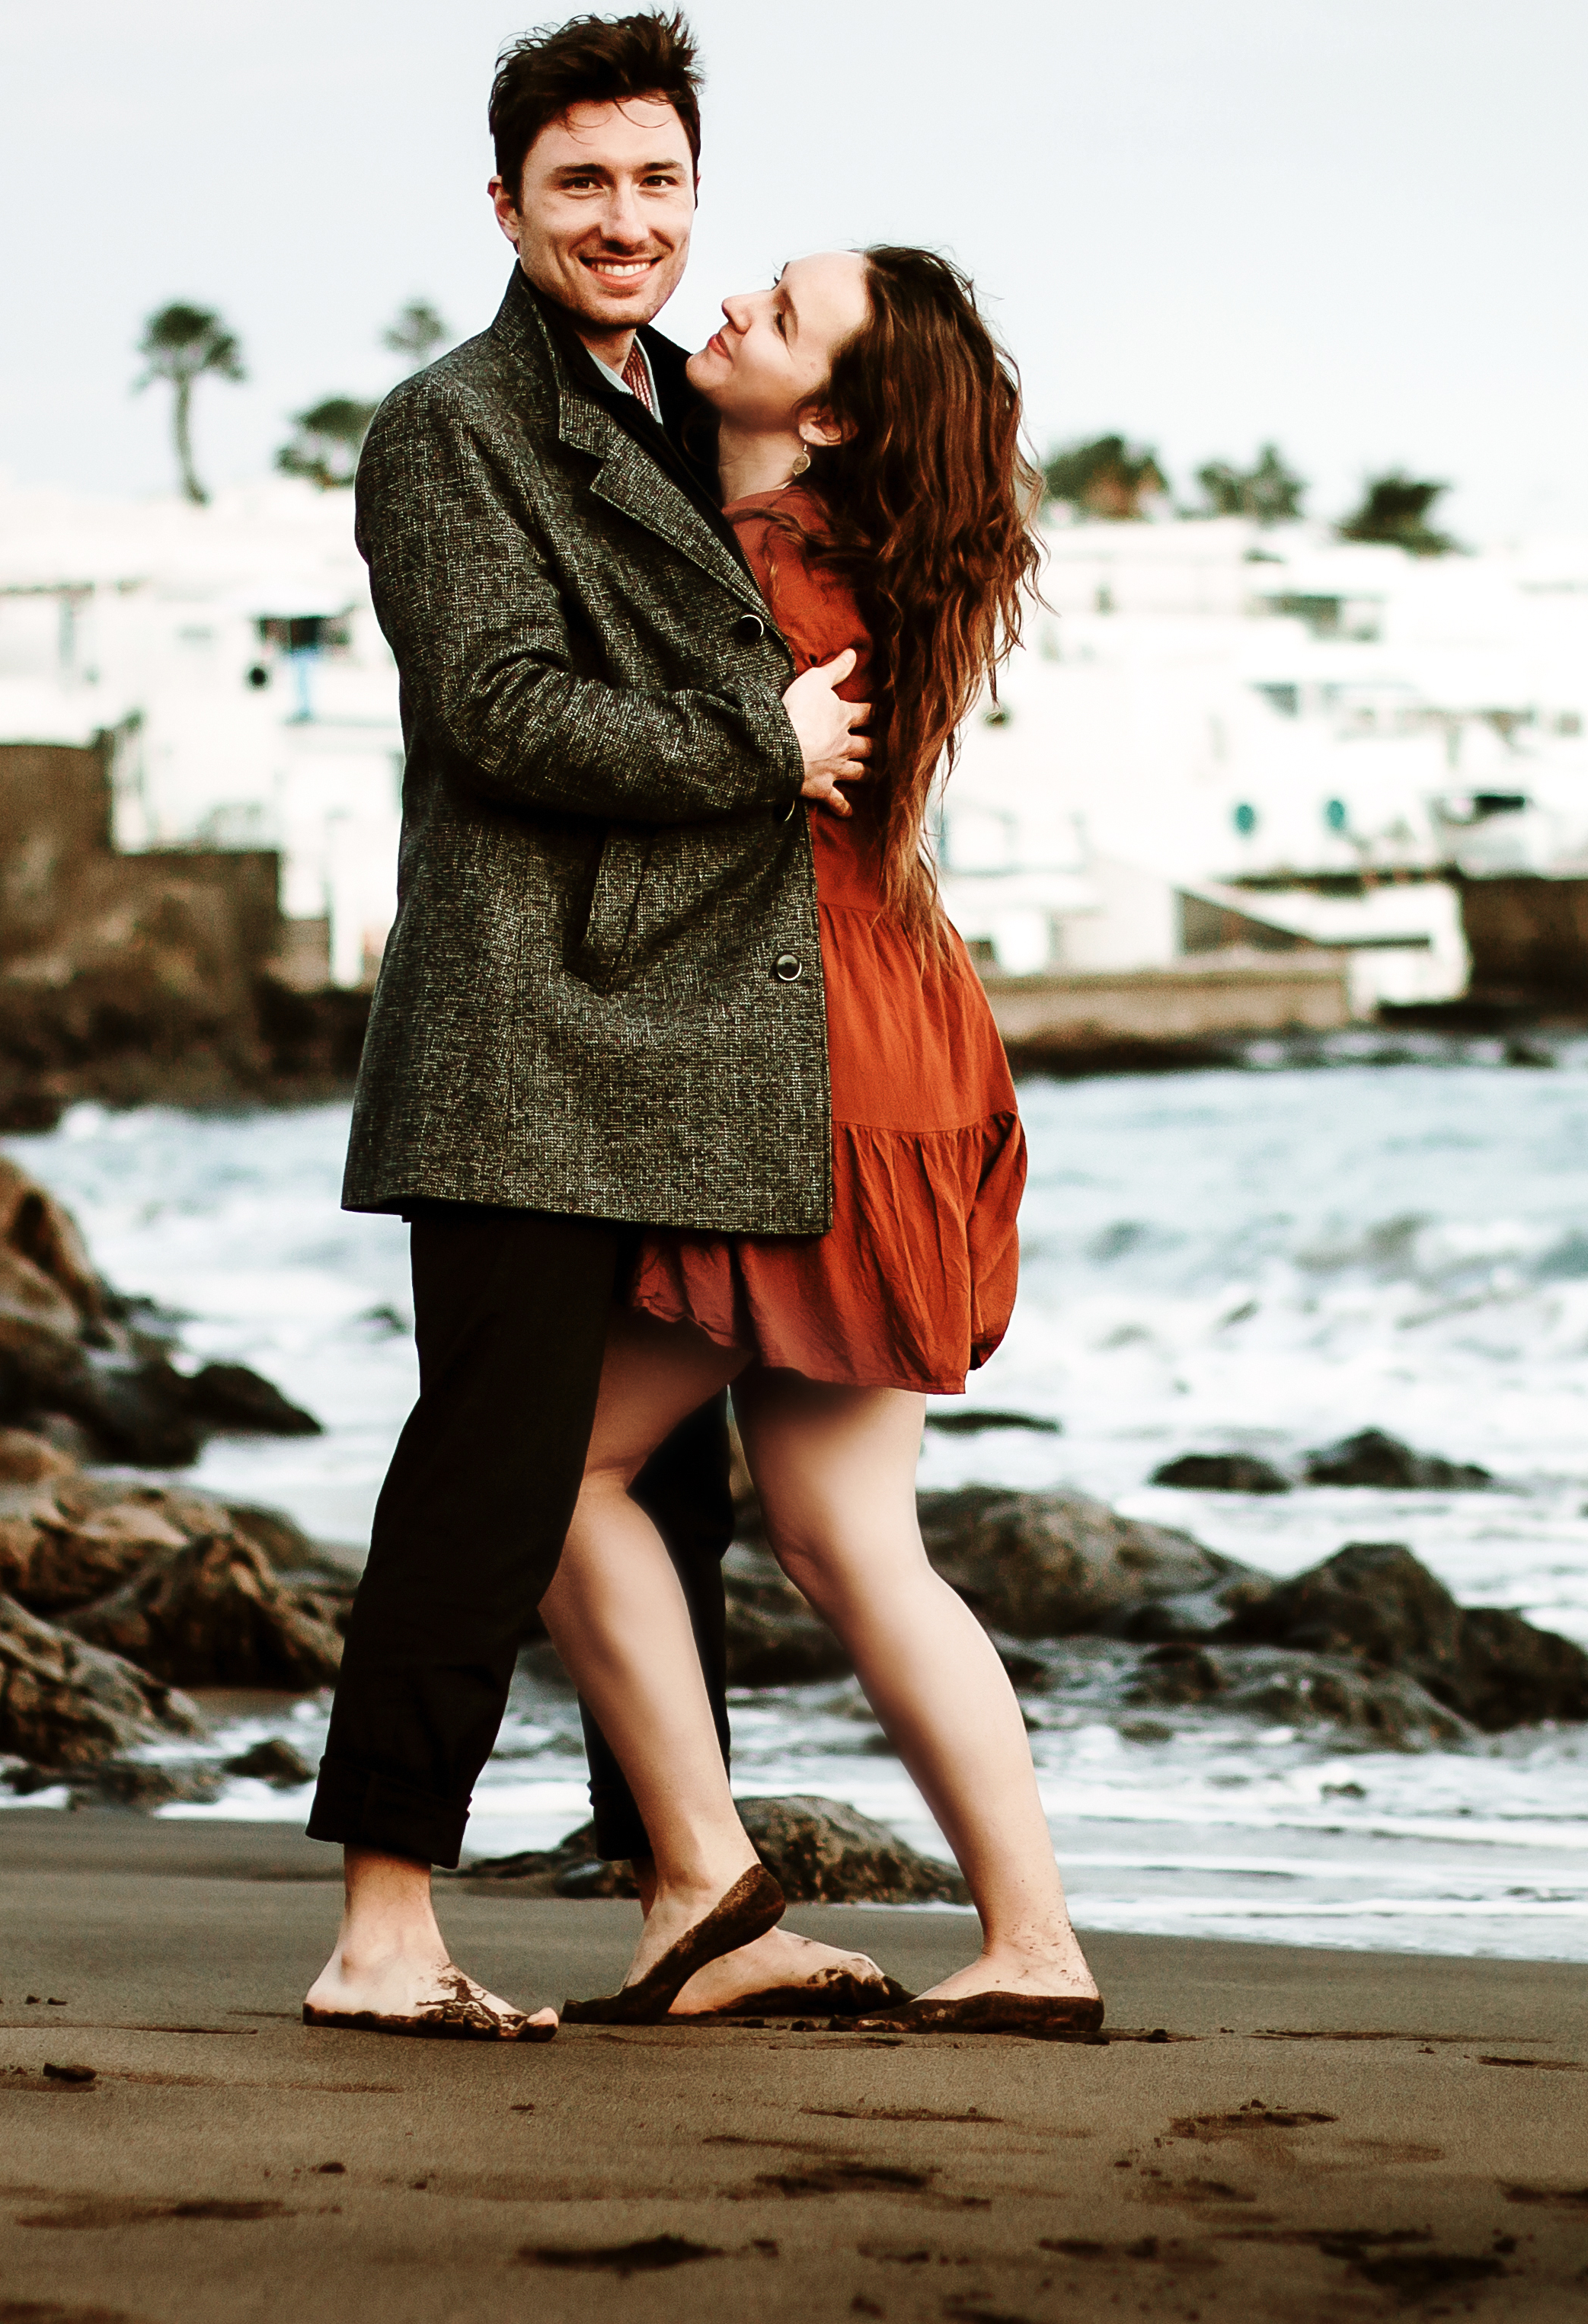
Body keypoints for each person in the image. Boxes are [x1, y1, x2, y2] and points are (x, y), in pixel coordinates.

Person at [300, 12, 882, 2040]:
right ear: (506, 205)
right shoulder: (449, 426)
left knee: (673, 1496)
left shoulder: (681, 411)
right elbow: (504, 711)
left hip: (685, 1046)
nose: (626, 221)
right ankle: (382, 1924)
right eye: (581, 186)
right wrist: (766, 736)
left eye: (657, 182)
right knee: (494, 1473)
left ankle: (682, 1910)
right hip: (523, 1043)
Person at [534, 245, 1101, 2034]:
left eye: (776, 320)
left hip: (814, 1062)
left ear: (837, 414)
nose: (731, 315)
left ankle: (709, 1885)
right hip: (900, 1038)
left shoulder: (763, 579)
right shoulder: (878, 570)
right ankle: (1033, 1943)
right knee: (852, 1533)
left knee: (542, 1461)